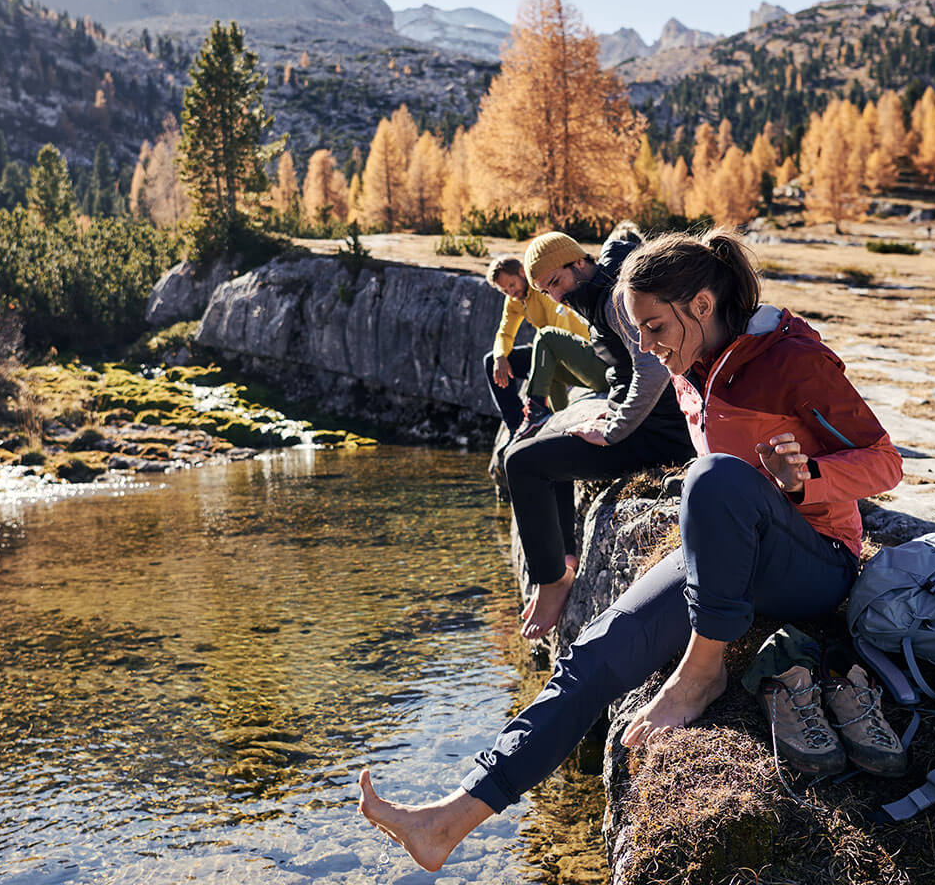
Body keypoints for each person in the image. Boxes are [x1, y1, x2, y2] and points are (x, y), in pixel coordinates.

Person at [359, 229, 903, 873]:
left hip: (815, 561)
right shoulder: (689, 368)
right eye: (637, 331)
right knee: (595, 650)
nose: (644, 346)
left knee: (715, 476)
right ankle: (449, 819)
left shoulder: (792, 360)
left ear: (702, 305)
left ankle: (701, 674)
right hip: (730, 555)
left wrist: (806, 476)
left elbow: (885, 462)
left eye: (652, 327)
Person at [502, 231, 693, 640]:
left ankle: (553, 580)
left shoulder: (615, 299)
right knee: (546, 447)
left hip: (656, 436)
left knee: (521, 463)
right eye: (544, 290)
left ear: (577, 264)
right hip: (655, 425)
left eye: (555, 283)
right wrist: (617, 404)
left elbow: (655, 369)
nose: (554, 297)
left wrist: (613, 428)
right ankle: (564, 559)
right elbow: (628, 368)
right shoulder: (604, 291)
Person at [483, 255, 592, 437]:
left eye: (511, 285)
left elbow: (558, 330)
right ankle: (516, 425)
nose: (510, 292)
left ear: (521, 272)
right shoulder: (514, 300)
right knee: (491, 362)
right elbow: (505, 332)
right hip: (547, 349)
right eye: (504, 290)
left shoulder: (544, 290)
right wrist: (500, 357)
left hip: (574, 351)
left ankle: (542, 413)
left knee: (543, 349)